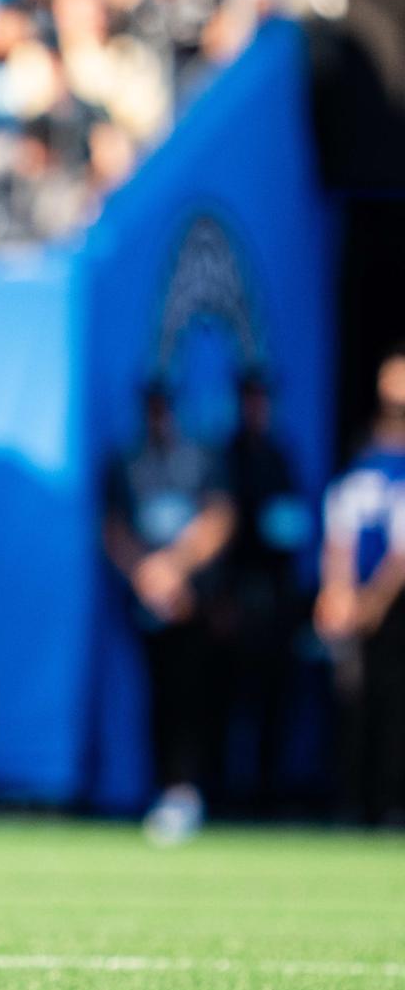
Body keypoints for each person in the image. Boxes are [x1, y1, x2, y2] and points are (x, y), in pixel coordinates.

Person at [103, 382, 235, 845]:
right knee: (158, 697)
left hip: (194, 599)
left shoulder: (201, 456)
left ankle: (189, 789)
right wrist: (147, 574)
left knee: (193, 695)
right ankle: (165, 790)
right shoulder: (128, 461)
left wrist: (174, 567)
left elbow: (219, 517)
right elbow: (115, 527)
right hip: (149, 599)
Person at [210, 371, 309, 814]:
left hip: (274, 600)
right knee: (226, 703)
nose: (256, 409)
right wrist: (222, 597)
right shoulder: (225, 458)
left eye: (262, 400)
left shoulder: (280, 457)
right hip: (234, 597)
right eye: (249, 400)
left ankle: (267, 797)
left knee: (274, 704)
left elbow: (292, 528)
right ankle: (222, 796)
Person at [315, 347, 405, 826]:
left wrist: (372, 600)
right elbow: (340, 541)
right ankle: (356, 802)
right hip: (363, 606)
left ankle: (388, 803)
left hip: (389, 607)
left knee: (392, 707)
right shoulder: (362, 472)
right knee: (356, 703)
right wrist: (341, 594)